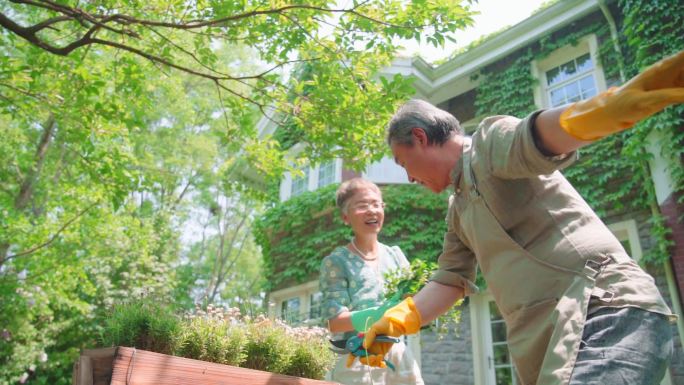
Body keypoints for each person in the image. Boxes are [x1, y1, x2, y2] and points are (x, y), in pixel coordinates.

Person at [361, 49, 684, 385]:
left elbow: (537, 137)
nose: (409, 178)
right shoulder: (458, 210)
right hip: (554, 345)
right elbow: (449, 281)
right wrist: (393, 322)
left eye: (403, 164)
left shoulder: (486, 144)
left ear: (420, 137)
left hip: (604, 311)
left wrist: (625, 101)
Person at [319, 177, 424, 384]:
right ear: (345, 217)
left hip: (397, 351)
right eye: (362, 205)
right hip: (357, 357)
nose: (372, 210)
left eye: (377, 204)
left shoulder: (395, 256)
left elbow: (413, 299)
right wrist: (378, 314)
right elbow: (334, 321)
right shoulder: (336, 262)